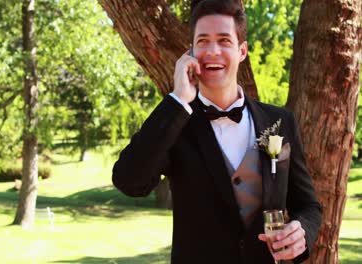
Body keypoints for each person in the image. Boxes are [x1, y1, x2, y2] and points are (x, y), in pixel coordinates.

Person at [112, 0, 322, 263]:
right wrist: (178, 99)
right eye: (202, 41)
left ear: (242, 51)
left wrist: (302, 231)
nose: (213, 51)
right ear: (190, 52)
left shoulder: (279, 122)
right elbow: (129, 181)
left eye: (224, 40)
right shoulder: (175, 123)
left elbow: (308, 205)